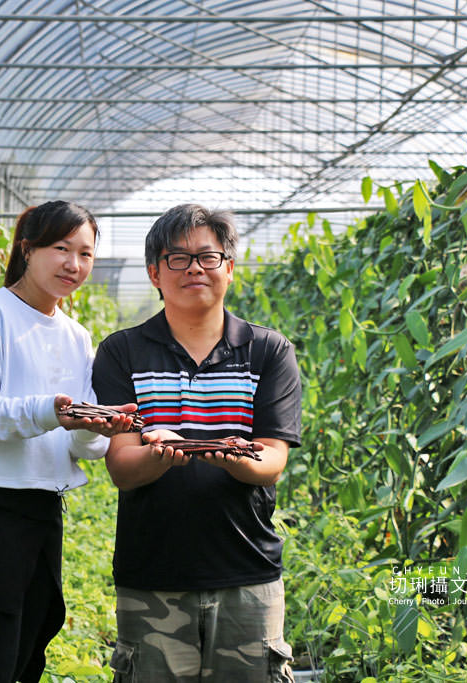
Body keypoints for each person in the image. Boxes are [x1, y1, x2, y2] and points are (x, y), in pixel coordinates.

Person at [92, 204, 302, 682]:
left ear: (229, 268)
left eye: (208, 257)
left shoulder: (267, 351)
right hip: (152, 576)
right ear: (154, 273)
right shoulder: (122, 352)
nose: (194, 270)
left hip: (247, 572)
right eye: (177, 259)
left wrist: (231, 459)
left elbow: (270, 459)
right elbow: (123, 466)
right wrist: (165, 457)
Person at [0, 200, 135, 683]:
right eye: (61, 248)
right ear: (27, 249)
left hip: (42, 511)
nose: (74, 264)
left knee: (33, 644)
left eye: (86, 254)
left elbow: (80, 445)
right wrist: (50, 411)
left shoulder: (75, 336)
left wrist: (98, 427)